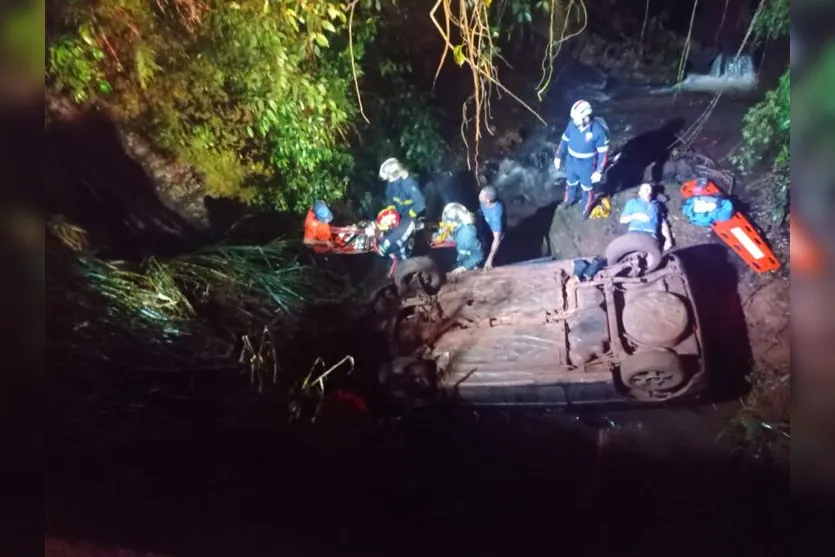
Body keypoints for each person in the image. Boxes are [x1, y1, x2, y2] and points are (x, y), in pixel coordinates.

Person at [554, 99, 610, 218]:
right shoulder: (573, 124)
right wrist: (558, 156)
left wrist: (599, 171)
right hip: (571, 161)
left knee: (587, 188)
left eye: (577, 118)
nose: (574, 121)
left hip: (587, 164)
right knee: (570, 183)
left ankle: (586, 207)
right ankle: (568, 201)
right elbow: (565, 139)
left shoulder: (597, 131)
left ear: (586, 117)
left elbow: (603, 153)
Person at [619, 183, 674, 251]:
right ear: (640, 193)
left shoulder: (657, 205)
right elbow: (622, 220)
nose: (647, 189)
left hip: (651, 236)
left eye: (649, 188)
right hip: (635, 233)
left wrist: (668, 239)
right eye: (644, 188)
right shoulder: (633, 202)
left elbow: (663, 224)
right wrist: (635, 216)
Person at [441, 202, 484, 276]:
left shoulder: (466, 234)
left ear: (453, 221)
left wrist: (464, 267)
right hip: (463, 262)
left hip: (472, 270)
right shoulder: (460, 228)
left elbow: (479, 255)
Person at [379, 158, 426, 223]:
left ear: (392, 175)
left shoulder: (408, 184)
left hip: (415, 217)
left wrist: (409, 215)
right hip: (400, 216)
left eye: (388, 177)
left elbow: (420, 204)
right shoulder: (391, 184)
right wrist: (392, 210)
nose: (387, 179)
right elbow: (389, 197)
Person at [478, 185, 505, 270]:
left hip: (495, 235)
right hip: (486, 227)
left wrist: (490, 259)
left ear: (488, 200)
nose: (479, 195)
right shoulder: (484, 202)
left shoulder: (496, 215)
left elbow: (497, 239)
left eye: (481, 195)